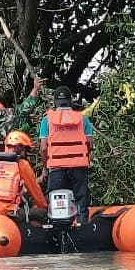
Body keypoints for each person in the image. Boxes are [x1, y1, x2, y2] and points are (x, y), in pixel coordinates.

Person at [39, 86, 94, 224]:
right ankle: (81, 230)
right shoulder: (82, 119)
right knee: (81, 201)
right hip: (79, 167)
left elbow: (43, 148)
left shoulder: (47, 120)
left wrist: (45, 168)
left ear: (55, 101)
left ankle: (57, 233)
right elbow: (89, 143)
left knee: (57, 202)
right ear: (70, 100)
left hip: (56, 168)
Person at [0, 130, 48, 221]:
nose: (25, 153)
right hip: (10, 211)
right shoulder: (21, 164)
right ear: (20, 147)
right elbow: (34, 190)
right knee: (43, 213)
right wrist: (44, 206)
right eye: (25, 149)